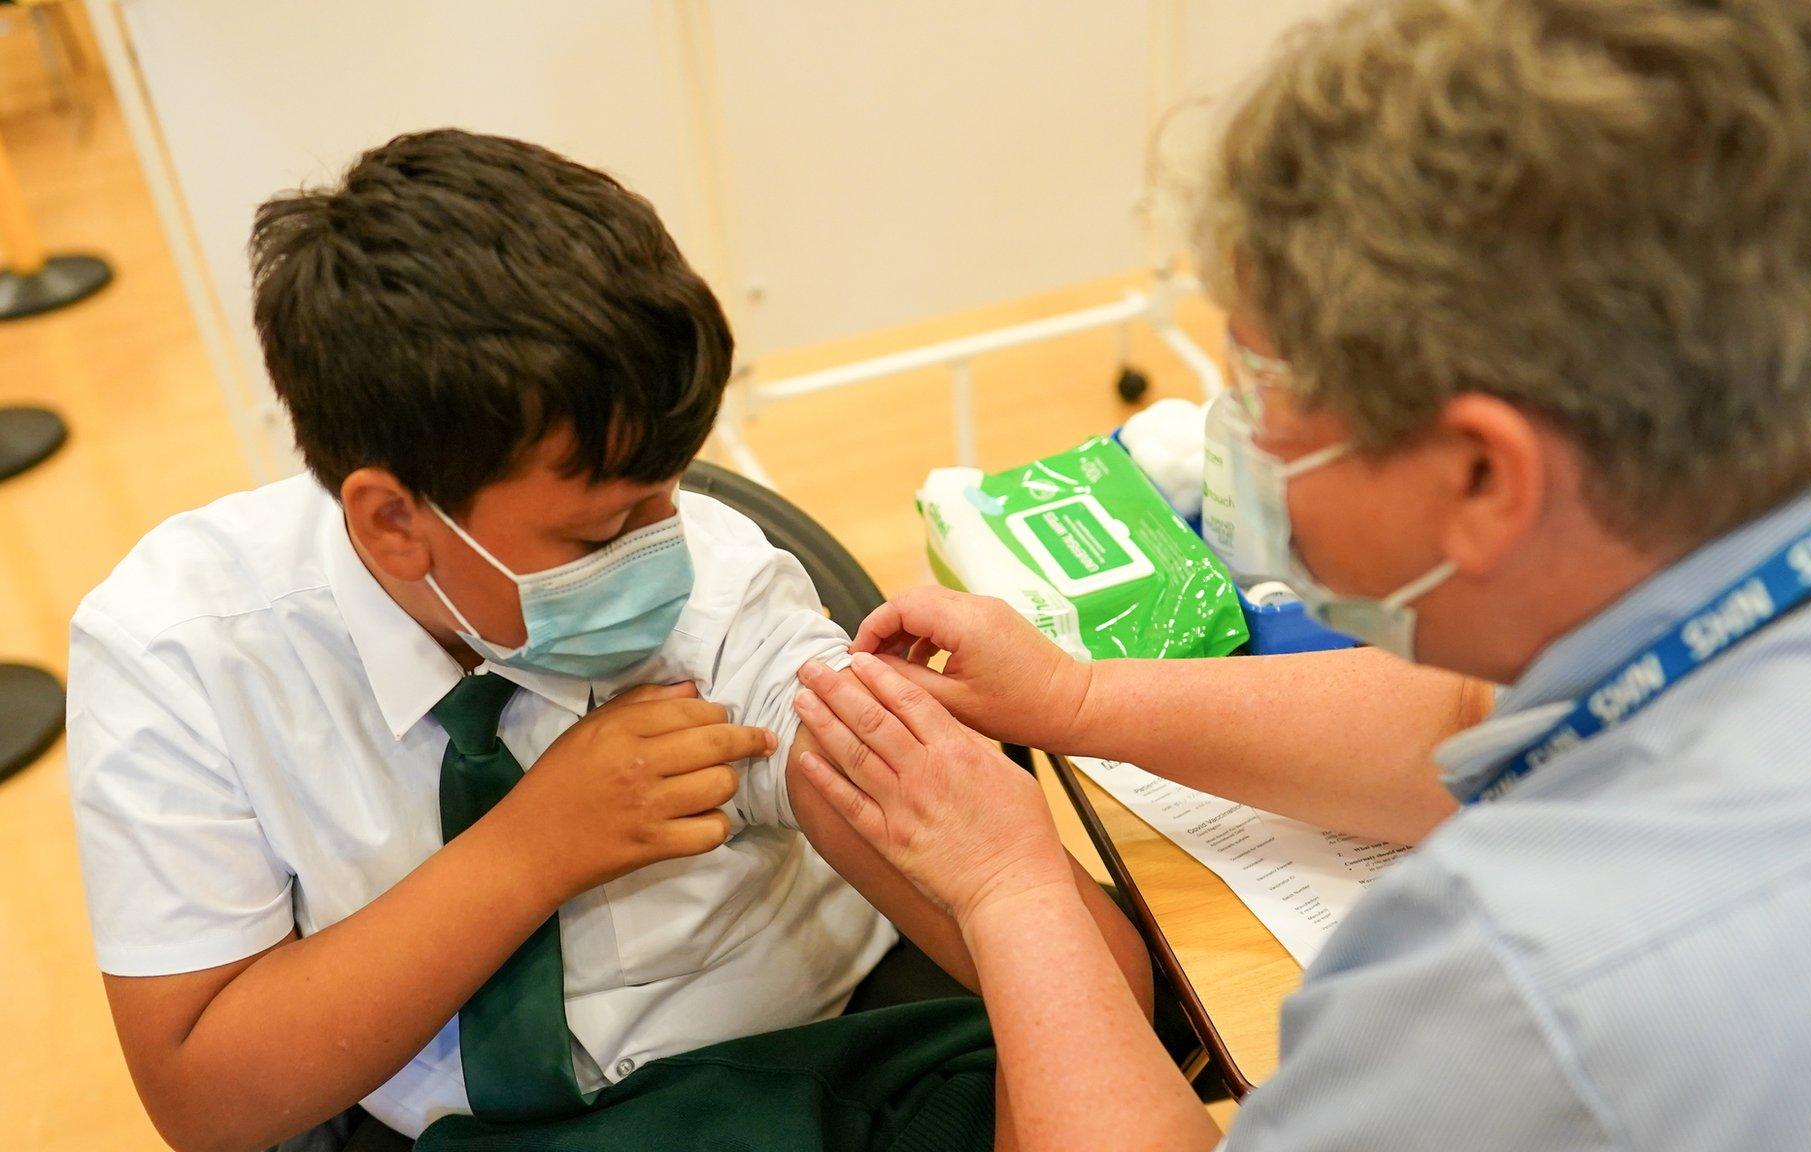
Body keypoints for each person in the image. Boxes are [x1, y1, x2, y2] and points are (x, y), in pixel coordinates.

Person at [790, 1, 1811, 1148]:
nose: (1238, 433)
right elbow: (1478, 725)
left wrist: (1012, 894)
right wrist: (1075, 703)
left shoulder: (1525, 999)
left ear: (1486, 476)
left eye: (1265, 390)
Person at [67, 129, 1151, 1152]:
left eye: (665, 495)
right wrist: (528, 851)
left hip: (811, 1061)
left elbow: (1085, 986)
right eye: (601, 529)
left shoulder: (721, 600)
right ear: (393, 522)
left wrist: (969, 836)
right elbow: (204, 1097)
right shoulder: (179, 658)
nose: (663, 551)